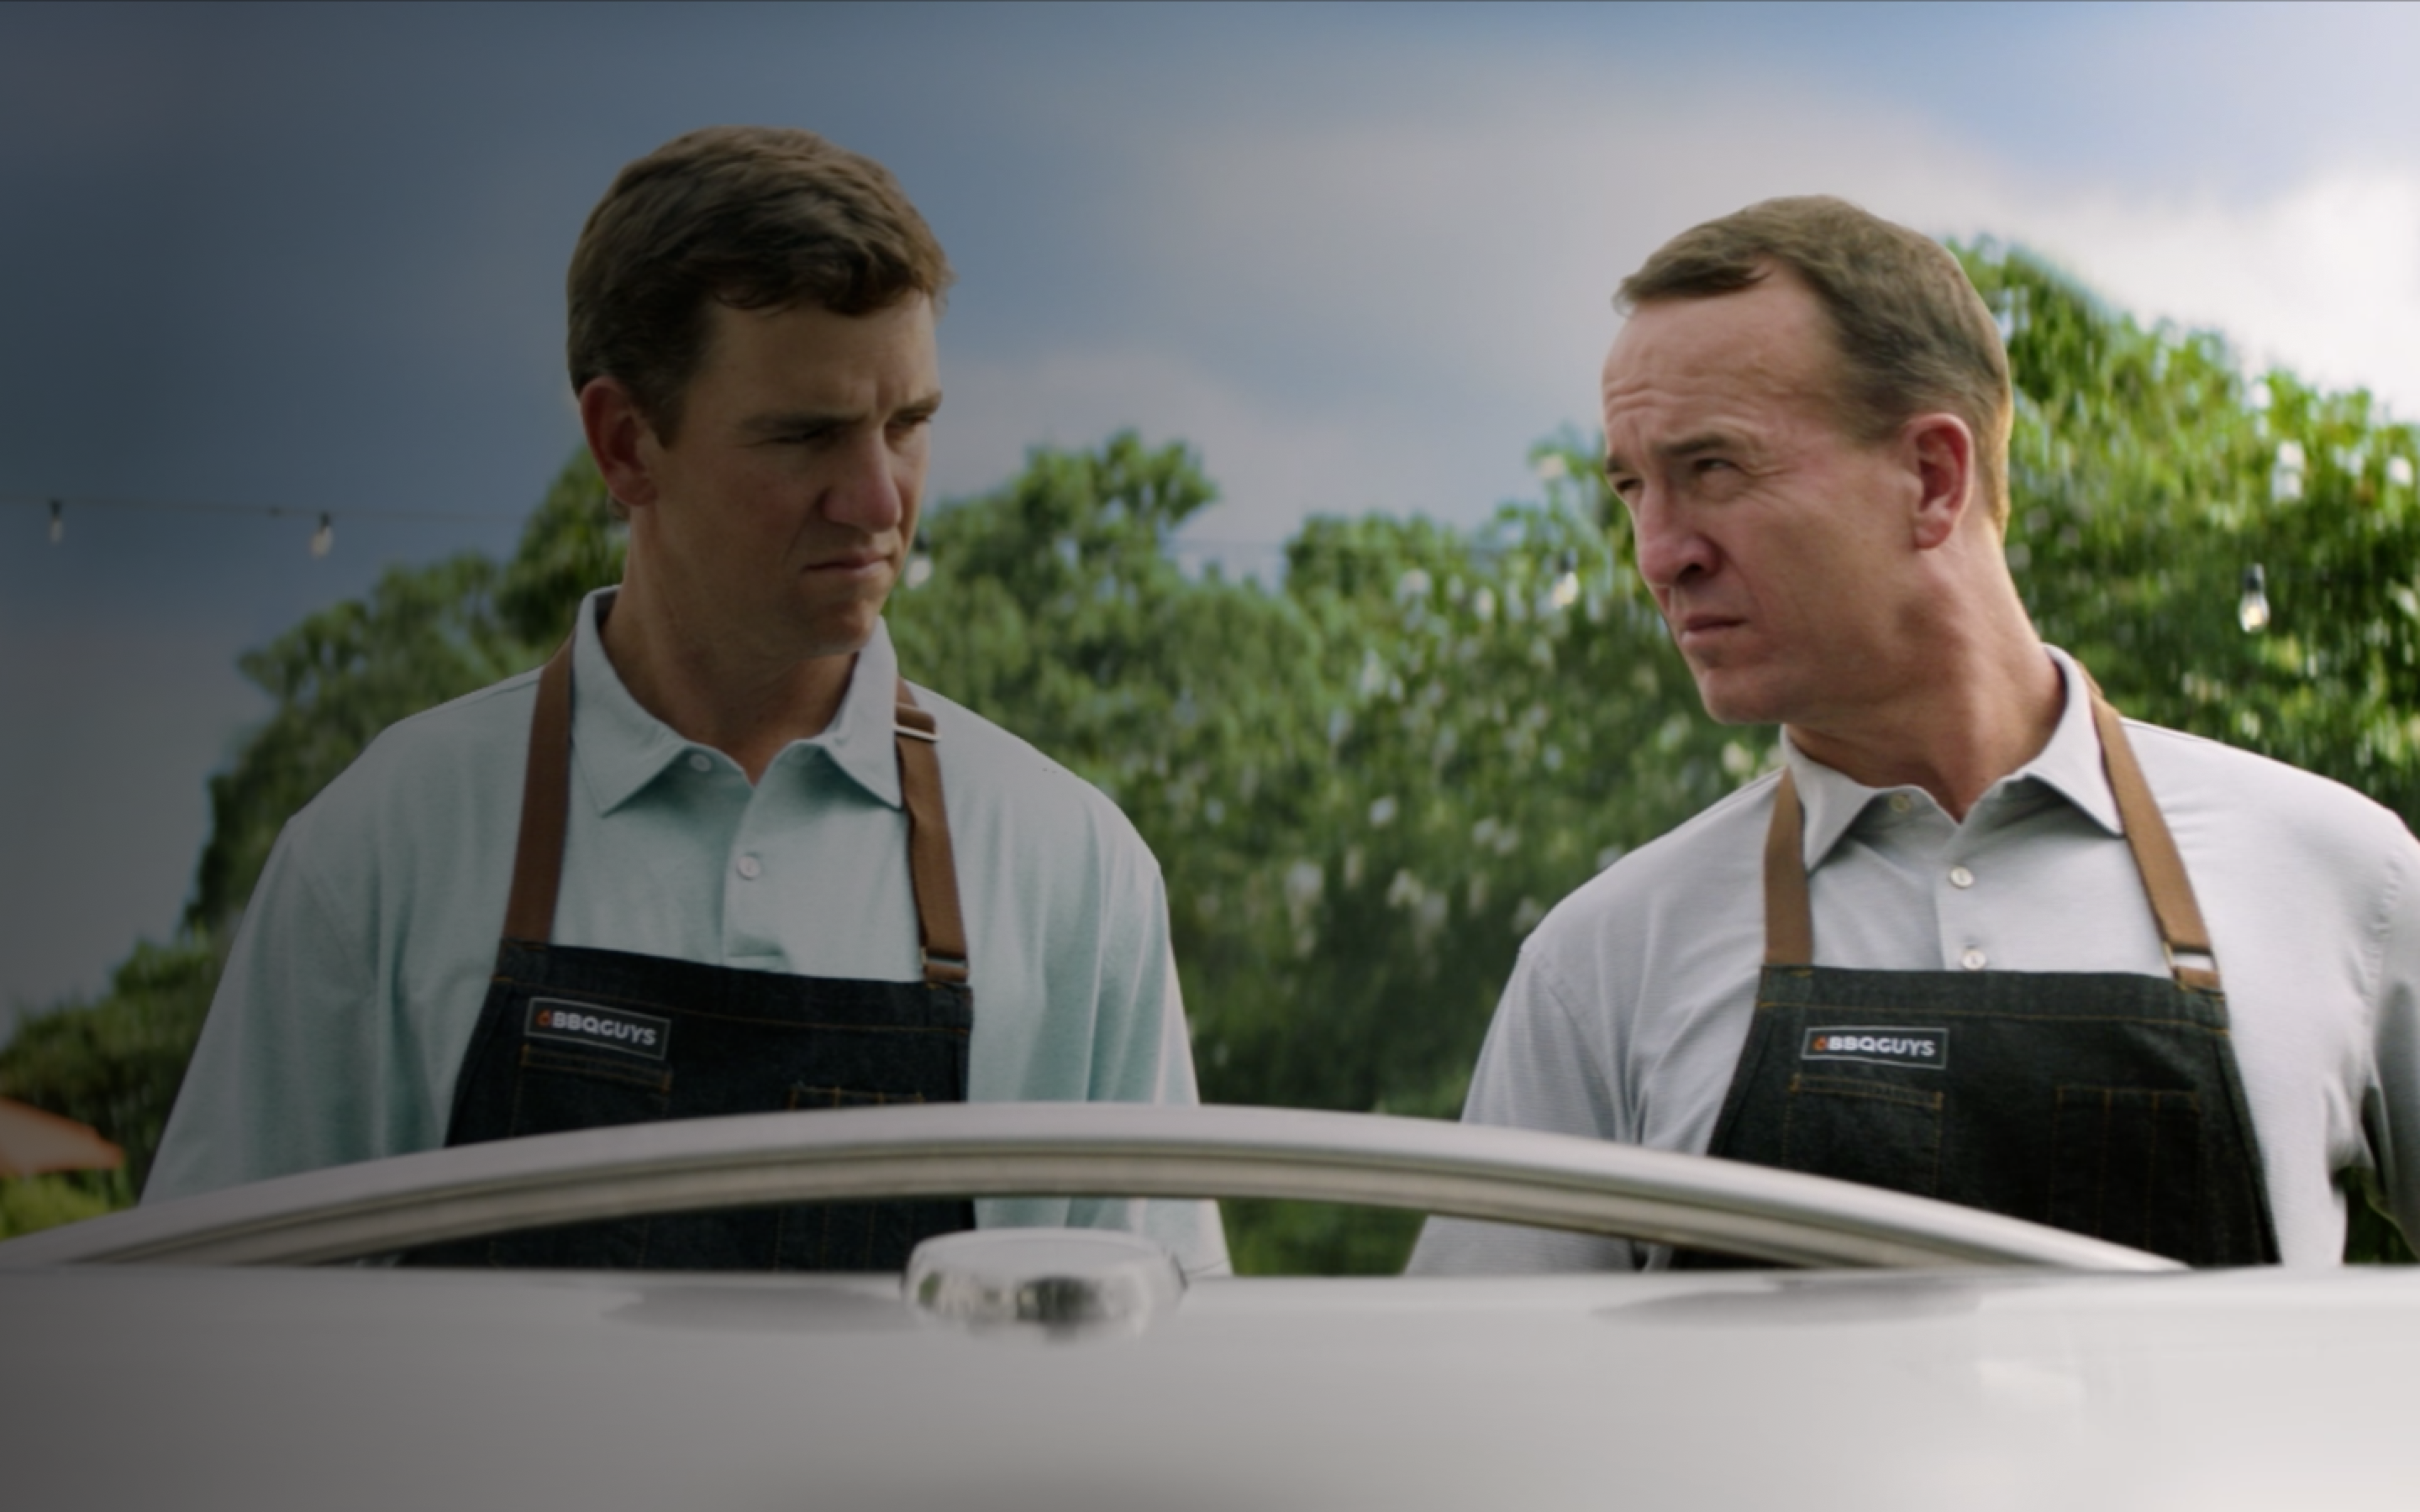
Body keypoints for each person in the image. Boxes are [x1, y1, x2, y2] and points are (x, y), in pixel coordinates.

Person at [149, 125, 1227, 1275]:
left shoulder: (1074, 875)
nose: (877, 500)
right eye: (805, 435)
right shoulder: (386, 850)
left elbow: (1162, 1372)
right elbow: (207, 1354)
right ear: (624, 445)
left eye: (909, 425)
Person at [1410, 195, 2420, 1273]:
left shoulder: (2344, 882)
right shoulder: (1605, 961)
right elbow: (1468, 1413)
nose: (1660, 555)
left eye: (1712, 470)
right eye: (1631, 488)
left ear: (1933, 479)